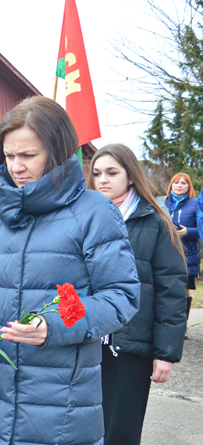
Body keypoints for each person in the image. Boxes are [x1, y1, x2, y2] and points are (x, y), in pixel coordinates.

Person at [0, 96, 140, 445]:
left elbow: (119, 296)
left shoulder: (94, 212)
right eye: (9, 156)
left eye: (28, 156)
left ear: (57, 152)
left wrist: (53, 324)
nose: (16, 166)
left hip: (60, 405)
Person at [88, 144, 187, 444]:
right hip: (85, 341)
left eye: (111, 172)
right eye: (96, 173)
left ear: (130, 176)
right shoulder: (82, 218)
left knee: (120, 431)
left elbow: (171, 291)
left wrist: (165, 354)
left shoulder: (156, 223)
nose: (102, 180)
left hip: (130, 346)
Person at [165, 172, 200, 333]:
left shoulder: (195, 203)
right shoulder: (164, 202)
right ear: (171, 185)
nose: (179, 185)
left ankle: (182, 326)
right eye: (176, 182)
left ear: (189, 187)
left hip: (187, 254)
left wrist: (188, 232)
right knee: (166, 289)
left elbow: (201, 227)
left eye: (183, 183)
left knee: (183, 290)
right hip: (166, 252)